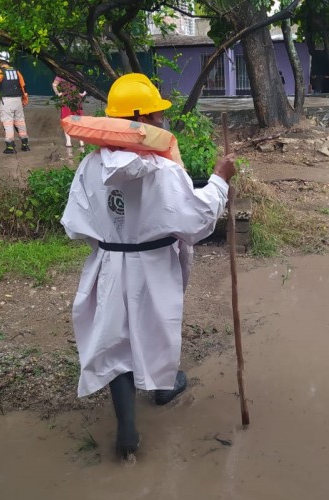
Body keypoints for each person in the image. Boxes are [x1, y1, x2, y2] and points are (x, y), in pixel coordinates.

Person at [61, 73, 236, 459]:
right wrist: (221, 181)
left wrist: (114, 239)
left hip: (108, 262)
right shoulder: (162, 169)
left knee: (114, 339)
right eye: (158, 116)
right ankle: (162, 387)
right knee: (156, 327)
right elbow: (196, 220)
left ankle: (127, 429)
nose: (162, 122)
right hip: (154, 264)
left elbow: (76, 225)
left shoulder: (90, 166)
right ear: (141, 120)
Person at [0, 50, 30, 154]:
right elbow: (23, 85)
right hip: (17, 100)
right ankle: (25, 144)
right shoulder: (16, 71)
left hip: (7, 101)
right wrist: (25, 99)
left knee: (8, 122)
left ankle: (10, 147)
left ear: (0, 60)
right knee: (20, 121)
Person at [51, 75, 86, 148]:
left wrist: (58, 94)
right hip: (76, 99)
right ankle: (81, 142)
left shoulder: (61, 74)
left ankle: (69, 142)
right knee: (78, 120)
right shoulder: (76, 73)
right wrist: (82, 94)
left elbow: (54, 85)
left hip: (66, 99)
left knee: (67, 120)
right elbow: (84, 85)